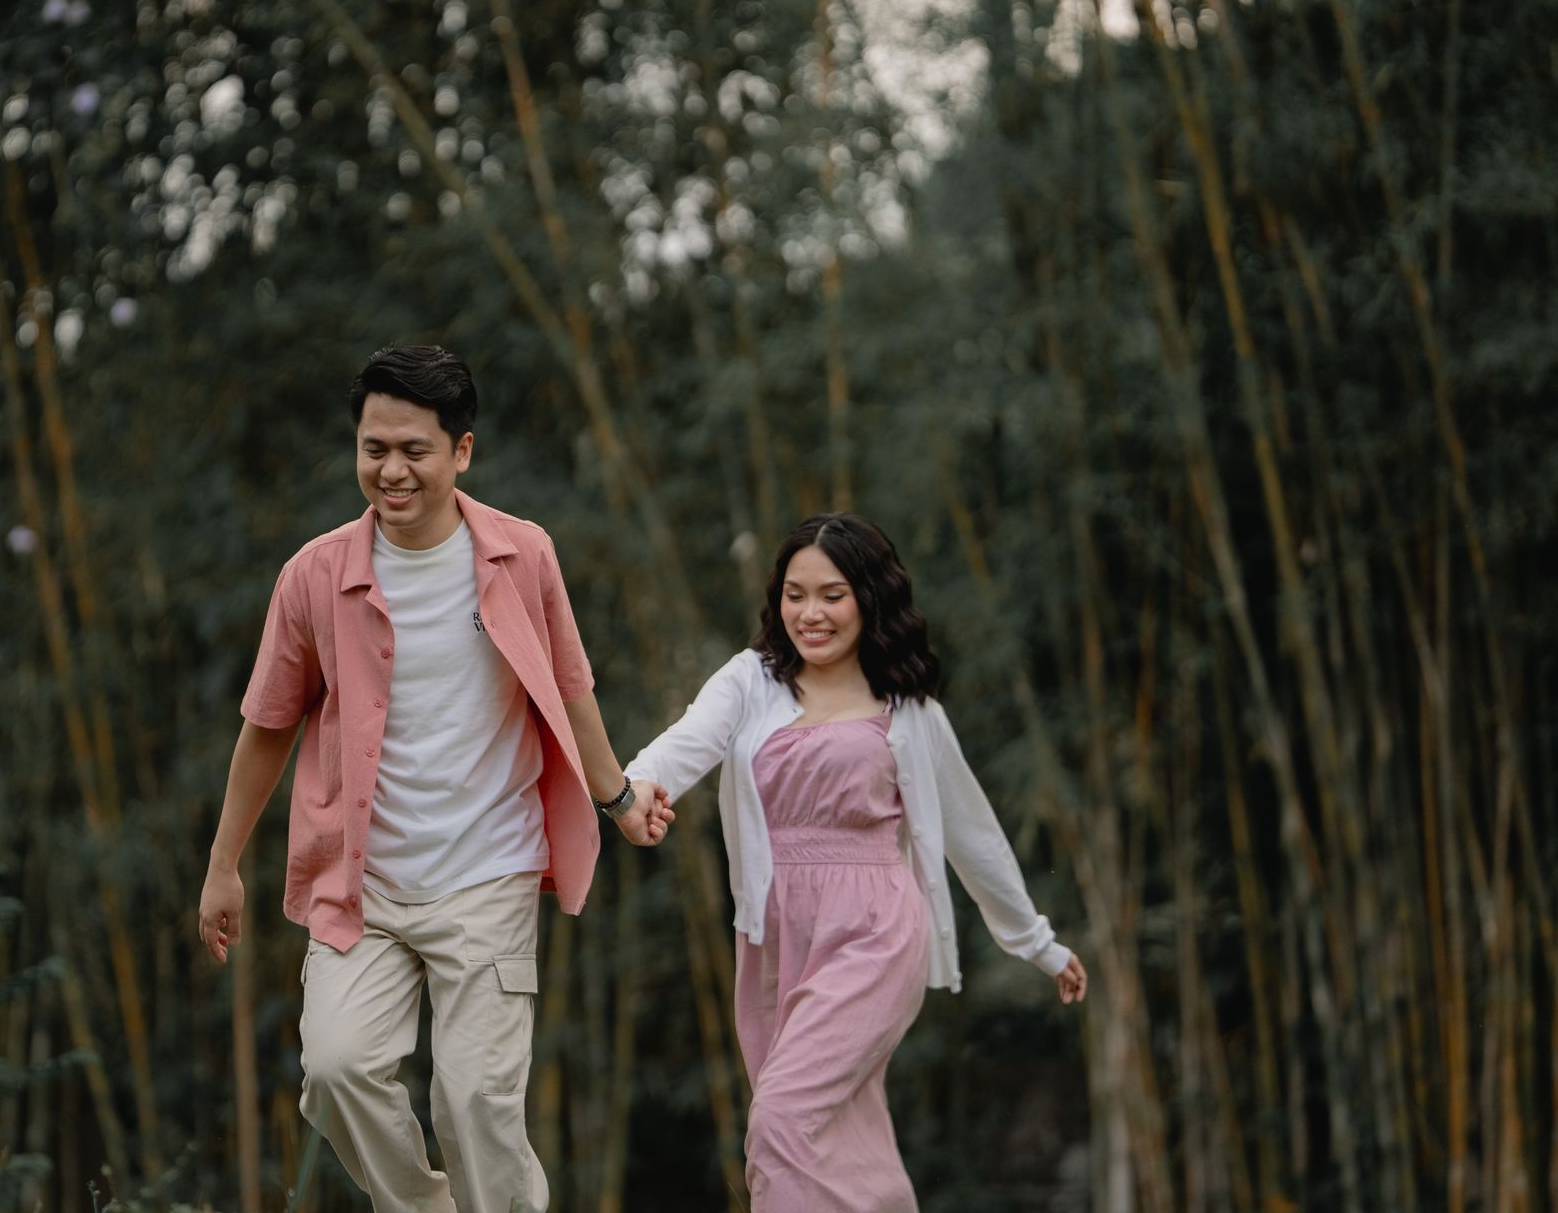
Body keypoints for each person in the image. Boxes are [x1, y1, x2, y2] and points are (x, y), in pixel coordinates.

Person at [198, 345, 673, 1213]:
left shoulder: (522, 556)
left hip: (489, 872)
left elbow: (569, 689)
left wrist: (618, 800)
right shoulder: (315, 576)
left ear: (462, 451)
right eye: (373, 448)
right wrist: (223, 864)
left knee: (475, 1103)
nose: (392, 471)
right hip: (364, 883)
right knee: (335, 1071)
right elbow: (267, 726)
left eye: (414, 450)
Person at [624, 513, 1086, 1211]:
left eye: (832, 595)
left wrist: (1037, 942)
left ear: (870, 599)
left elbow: (975, 836)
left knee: (782, 1119)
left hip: (874, 931)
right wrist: (636, 786)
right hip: (775, 934)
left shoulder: (909, 711)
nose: (810, 613)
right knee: (840, 1130)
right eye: (795, 594)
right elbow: (685, 742)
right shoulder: (751, 680)